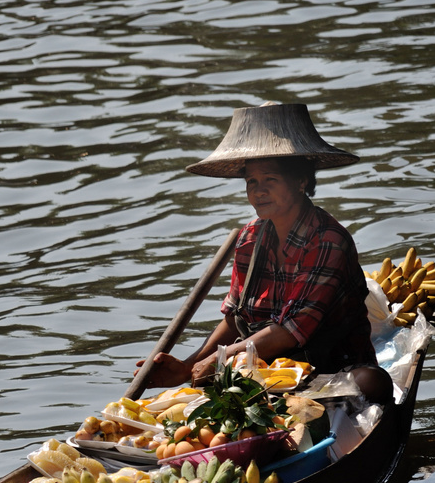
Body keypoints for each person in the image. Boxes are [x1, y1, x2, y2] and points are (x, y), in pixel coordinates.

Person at [136, 102, 393, 404]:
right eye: (251, 182)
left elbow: (289, 332)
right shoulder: (250, 237)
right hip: (264, 371)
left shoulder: (327, 241)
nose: (259, 191)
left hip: (329, 369)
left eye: (270, 180)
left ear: (301, 182)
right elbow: (234, 320)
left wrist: (219, 361)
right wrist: (186, 367)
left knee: (372, 383)